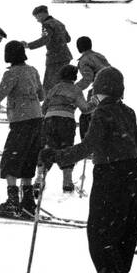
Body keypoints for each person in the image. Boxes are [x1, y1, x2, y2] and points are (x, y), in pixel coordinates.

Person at [44, 66, 137, 273]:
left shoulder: (102, 113)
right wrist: (125, 155)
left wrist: (56, 155)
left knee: (100, 229)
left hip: (110, 175)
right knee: (124, 227)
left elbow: (87, 146)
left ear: (101, 91)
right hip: (133, 174)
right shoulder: (128, 112)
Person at [0, 41, 44, 217]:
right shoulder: (32, 70)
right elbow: (41, 95)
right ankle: (28, 201)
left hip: (21, 121)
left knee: (11, 159)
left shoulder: (11, 74)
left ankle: (12, 201)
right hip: (37, 119)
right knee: (28, 158)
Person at [41, 64, 89, 193]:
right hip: (66, 121)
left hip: (49, 120)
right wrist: (94, 103)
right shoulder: (76, 90)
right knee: (67, 149)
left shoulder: (54, 89)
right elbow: (84, 109)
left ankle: (40, 178)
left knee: (47, 148)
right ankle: (67, 182)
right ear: (74, 77)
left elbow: (43, 108)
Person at [27, 6, 72, 90]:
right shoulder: (59, 23)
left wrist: (28, 45)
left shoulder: (46, 25)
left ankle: (50, 102)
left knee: (49, 86)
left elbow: (44, 40)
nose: (37, 20)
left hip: (55, 59)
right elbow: (68, 39)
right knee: (63, 83)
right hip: (66, 56)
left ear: (41, 14)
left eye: (37, 17)